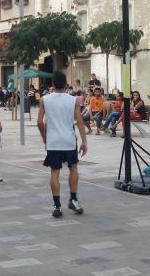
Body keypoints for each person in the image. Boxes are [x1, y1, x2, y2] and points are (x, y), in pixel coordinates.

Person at [37, 71, 88, 218]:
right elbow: (79, 121)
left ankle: (57, 206)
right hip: (69, 140)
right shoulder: (74, 100)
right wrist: (84, 141)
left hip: (53, 141)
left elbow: (39, 122)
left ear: (52, 84)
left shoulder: (44, 100)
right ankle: (73, 199)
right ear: (66, 84)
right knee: (73, 168)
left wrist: (44, 137)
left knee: (55, 171)